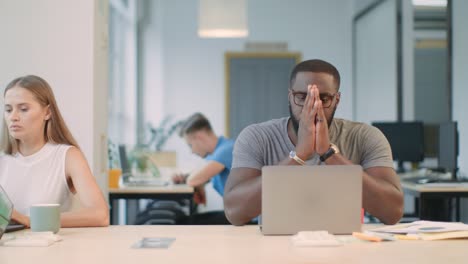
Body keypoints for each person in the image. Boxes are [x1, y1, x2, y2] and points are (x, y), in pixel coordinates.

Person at [224, 59, 404, 226]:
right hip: (276, 246)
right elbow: (235, 213)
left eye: (323, 99)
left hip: (344, 246)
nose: (310, 107)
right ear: (289, 96)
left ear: (337, 100)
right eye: (302, 98)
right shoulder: (257, 137)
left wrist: (329, 154)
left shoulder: (365, 136)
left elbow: (392, 212)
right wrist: (298, 156)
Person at [0, 75, 109, 227]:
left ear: (47, 112)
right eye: (8, 110)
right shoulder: (3, 159)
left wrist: (30, 221)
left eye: (23, 109)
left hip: (53, 248)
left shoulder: (68, 157)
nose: (13, 117)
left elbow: (100, 215)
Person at [171, 113, 234, 224]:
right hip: (240, 214)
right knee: (185, 221)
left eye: (190, 145)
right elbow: (201, 178)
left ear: (200, 137)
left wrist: (197, 182)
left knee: (183, 223)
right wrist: (199, 183)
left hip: (252, 220)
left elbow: (193, 180)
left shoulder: (225, 150)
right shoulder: (219, 151)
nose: (192, 151)